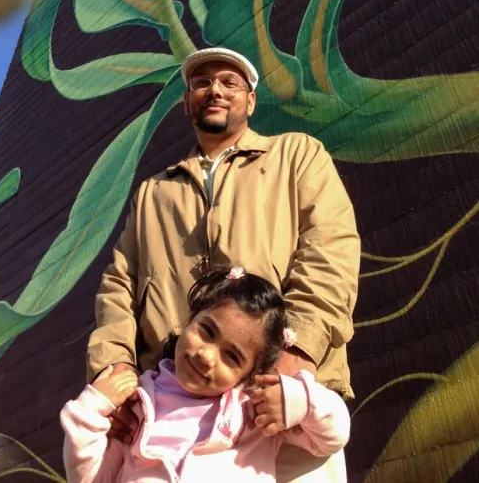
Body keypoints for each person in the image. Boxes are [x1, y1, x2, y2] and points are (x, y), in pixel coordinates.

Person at [86, 47, 360, 482]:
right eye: (201, 82)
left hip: (280, 406)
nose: (215, 89)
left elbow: (331, 251)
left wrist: (298, 349)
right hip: (169, 416)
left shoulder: (297, 156)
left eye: (230, 82)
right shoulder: (152, 192)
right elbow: (118, 287)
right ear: (187, 101)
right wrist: (115, 370)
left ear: (250, 100)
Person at [64, 268, 350, 482]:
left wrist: (298, 400)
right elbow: (94, 478)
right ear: (190, 319)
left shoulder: (256, 411)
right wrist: (90, 414)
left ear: (251, 374)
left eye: (232, 356)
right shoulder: (136, 403)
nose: (206, 355)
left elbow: (332, 436)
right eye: (207, 331)